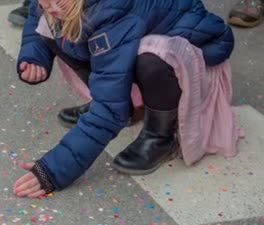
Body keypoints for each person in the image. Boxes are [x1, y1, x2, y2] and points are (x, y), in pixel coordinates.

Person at [12, 0, 241, 198]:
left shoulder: (110, 12)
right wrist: (35, 56)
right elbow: (36, 15)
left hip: (194, 53)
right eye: (46, 2)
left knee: (149, 61)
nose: (51, 7)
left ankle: (161, 135)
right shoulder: (63, 6)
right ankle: (127, 102)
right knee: (52, 26)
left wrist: (53, 171)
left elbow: (110, 113)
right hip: (131, 32)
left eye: (59, 2)